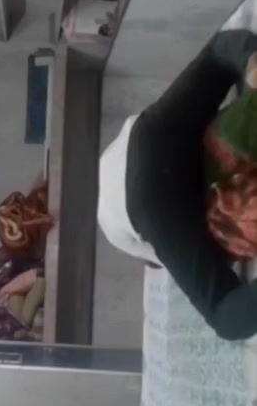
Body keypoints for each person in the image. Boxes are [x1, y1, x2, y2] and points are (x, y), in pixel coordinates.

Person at [97, 29, 257, 341]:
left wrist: (251, 62)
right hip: (146, 188)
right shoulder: (165, 221)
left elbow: (219, 50)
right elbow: (226, 316)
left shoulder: (170, 130)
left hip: (150, 159)